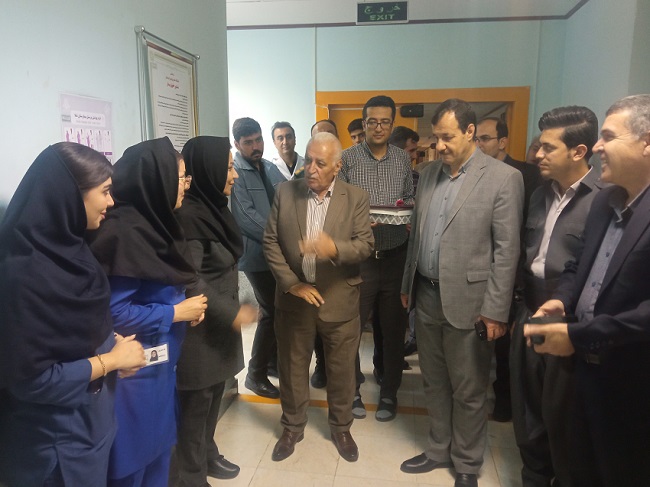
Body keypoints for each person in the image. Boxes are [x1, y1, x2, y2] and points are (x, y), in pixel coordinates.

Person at [0, 142, 146, 487]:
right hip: (56, 449)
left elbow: (78, 328)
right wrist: (111, 361)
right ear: (69, 194)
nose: (112, 202)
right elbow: (31, 381)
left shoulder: (72, 249)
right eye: (105, 191)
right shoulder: (23, 275)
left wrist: (112, 344)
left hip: (88, 429)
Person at [524, 94, 650, 486]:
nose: (597, 147)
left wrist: (578, 336)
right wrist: (560, 299)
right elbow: (578, 266)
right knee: (574, 463)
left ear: (647, 143)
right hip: (582, 369)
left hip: (631, 380)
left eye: (609, 137)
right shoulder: (605, 201)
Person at [400, 99, 523, 487]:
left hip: (471, 303)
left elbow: (507, 250)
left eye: (447, 137)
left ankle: (467, 462)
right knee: (434, 381)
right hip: (426, 295)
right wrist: (407, 286)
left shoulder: (503, 178)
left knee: (469, 389)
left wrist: (496, 311)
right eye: (435, 137)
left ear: (470, 132)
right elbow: (417, 236)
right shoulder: (428, 174)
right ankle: (438, 449)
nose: (438, 145)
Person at [90, 137, 208, 487]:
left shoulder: (157, 223)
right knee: (133, 468)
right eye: (180, 177)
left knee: (158, 460)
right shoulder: (125, 233)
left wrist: (183, 309)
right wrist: (175, 313)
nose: (186, 185)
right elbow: (115, 313)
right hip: (134, 378)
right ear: (157, 180)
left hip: (160, 369)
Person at [263, 132, 374, 462]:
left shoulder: (355, 198)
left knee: (341, 371)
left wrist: (334, 248)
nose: (310, 168)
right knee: (292, 367)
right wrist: (291, 283)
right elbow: (270, 242)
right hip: (295, 301)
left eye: (320, 163)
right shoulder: (285, 192)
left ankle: (341, 427)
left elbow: (365, 245)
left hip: (339, 300)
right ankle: (292, 426)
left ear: (337, 166)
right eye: (308, 160)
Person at [510, 105, 603, 487]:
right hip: (530, 307)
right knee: (527, 407)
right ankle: (534, 476)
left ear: (578, 152)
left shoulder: (604, 199)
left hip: (571, 319)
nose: (537, 154)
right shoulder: (538, 194)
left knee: (564, 413)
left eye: (548, 147)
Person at [173, 136, 258, 486]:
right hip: (200, 331)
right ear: (208, 170)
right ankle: (191, 477)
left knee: (213, 399)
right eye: (228, 168)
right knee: (195, 409)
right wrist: (231, 312)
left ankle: (209, 455)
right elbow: (190, 280)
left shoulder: (214, 210)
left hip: (218, 328)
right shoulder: (190, 219)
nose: (234, 175)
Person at [339, 95, 414, 422]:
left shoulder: (402, 159)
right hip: (361, 259)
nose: (378, 127)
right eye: (372, 122)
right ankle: (352, 390)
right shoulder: (348, 158)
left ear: (392, 124)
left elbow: (409, 198)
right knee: (351, 329)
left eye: (385, 122)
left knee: (393, 329)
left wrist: (405, 212)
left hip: (395, 256)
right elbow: (337, 204)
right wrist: (355, 221)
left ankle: (389, 392)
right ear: (364, 123)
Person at [475, 116, 542, 422]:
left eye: (484, 138)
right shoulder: (474, 175)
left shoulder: (525, 175)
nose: (478, 144)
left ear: (502, 142)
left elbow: (523, 231)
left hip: (513, 273)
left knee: (505, 347)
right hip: (477, 272)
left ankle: (505, 401)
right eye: (476, 138)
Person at [231, 117, 286, 399]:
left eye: (259, 140)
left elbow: (286, 199)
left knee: (278, 309)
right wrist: (280, 236)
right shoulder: (236, 173)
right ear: (237, 144)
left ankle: (272, 363)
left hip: (275, 253)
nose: (256, 146)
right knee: (271, 311)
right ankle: (255, 375)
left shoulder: (268, 167)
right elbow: (245, 217)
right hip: (255, 256)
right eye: (249, 142)